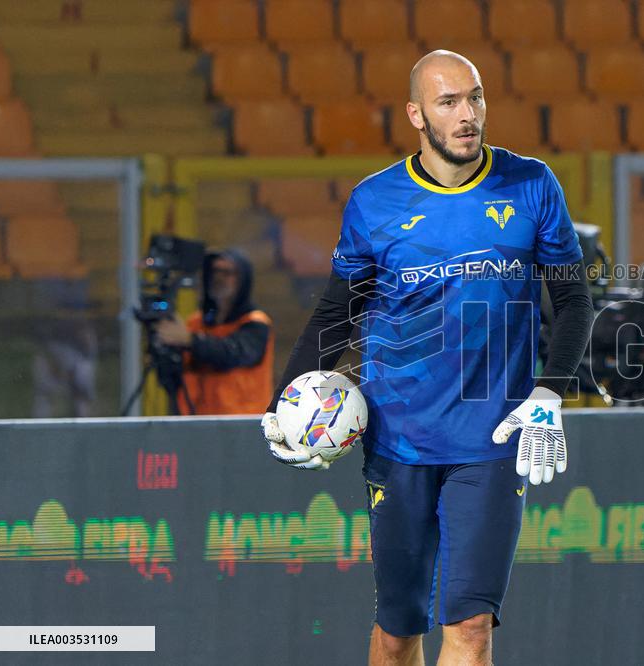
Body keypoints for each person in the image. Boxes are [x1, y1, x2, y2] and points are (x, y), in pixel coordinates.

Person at [261, 51, 593, 666]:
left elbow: (574, 299)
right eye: (449, 102)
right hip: (397, 442)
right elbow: (339, 310)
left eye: (476, 97)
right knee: (397, 633)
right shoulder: (374, 201)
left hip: (491, 440)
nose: (468, 115)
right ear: (416, 114)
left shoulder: (531, 184)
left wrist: (547, 394)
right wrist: (282, 401)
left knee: (470, 629)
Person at [155, 249, 274, 415]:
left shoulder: (255, 323)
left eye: (227, 272)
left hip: (242, 423)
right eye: (215, 271)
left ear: (242, 280)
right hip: (200, 422)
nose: (219, 278)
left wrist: (190, 340)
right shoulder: (196, 323)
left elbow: (232, 353)